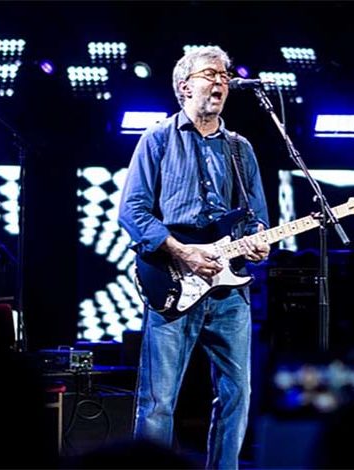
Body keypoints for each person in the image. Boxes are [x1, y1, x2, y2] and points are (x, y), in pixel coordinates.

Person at [118, 45, 270, 469]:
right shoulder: (158, 138)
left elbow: (255, 216)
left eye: (225, 75)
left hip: (229, 289)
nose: (221, 81)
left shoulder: (240, 148)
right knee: (159, 401)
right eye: (210, 74)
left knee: (238, 394)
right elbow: (132, 211)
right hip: (172, 282)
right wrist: (182, 251)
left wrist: (258, 240)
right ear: (184, 87)